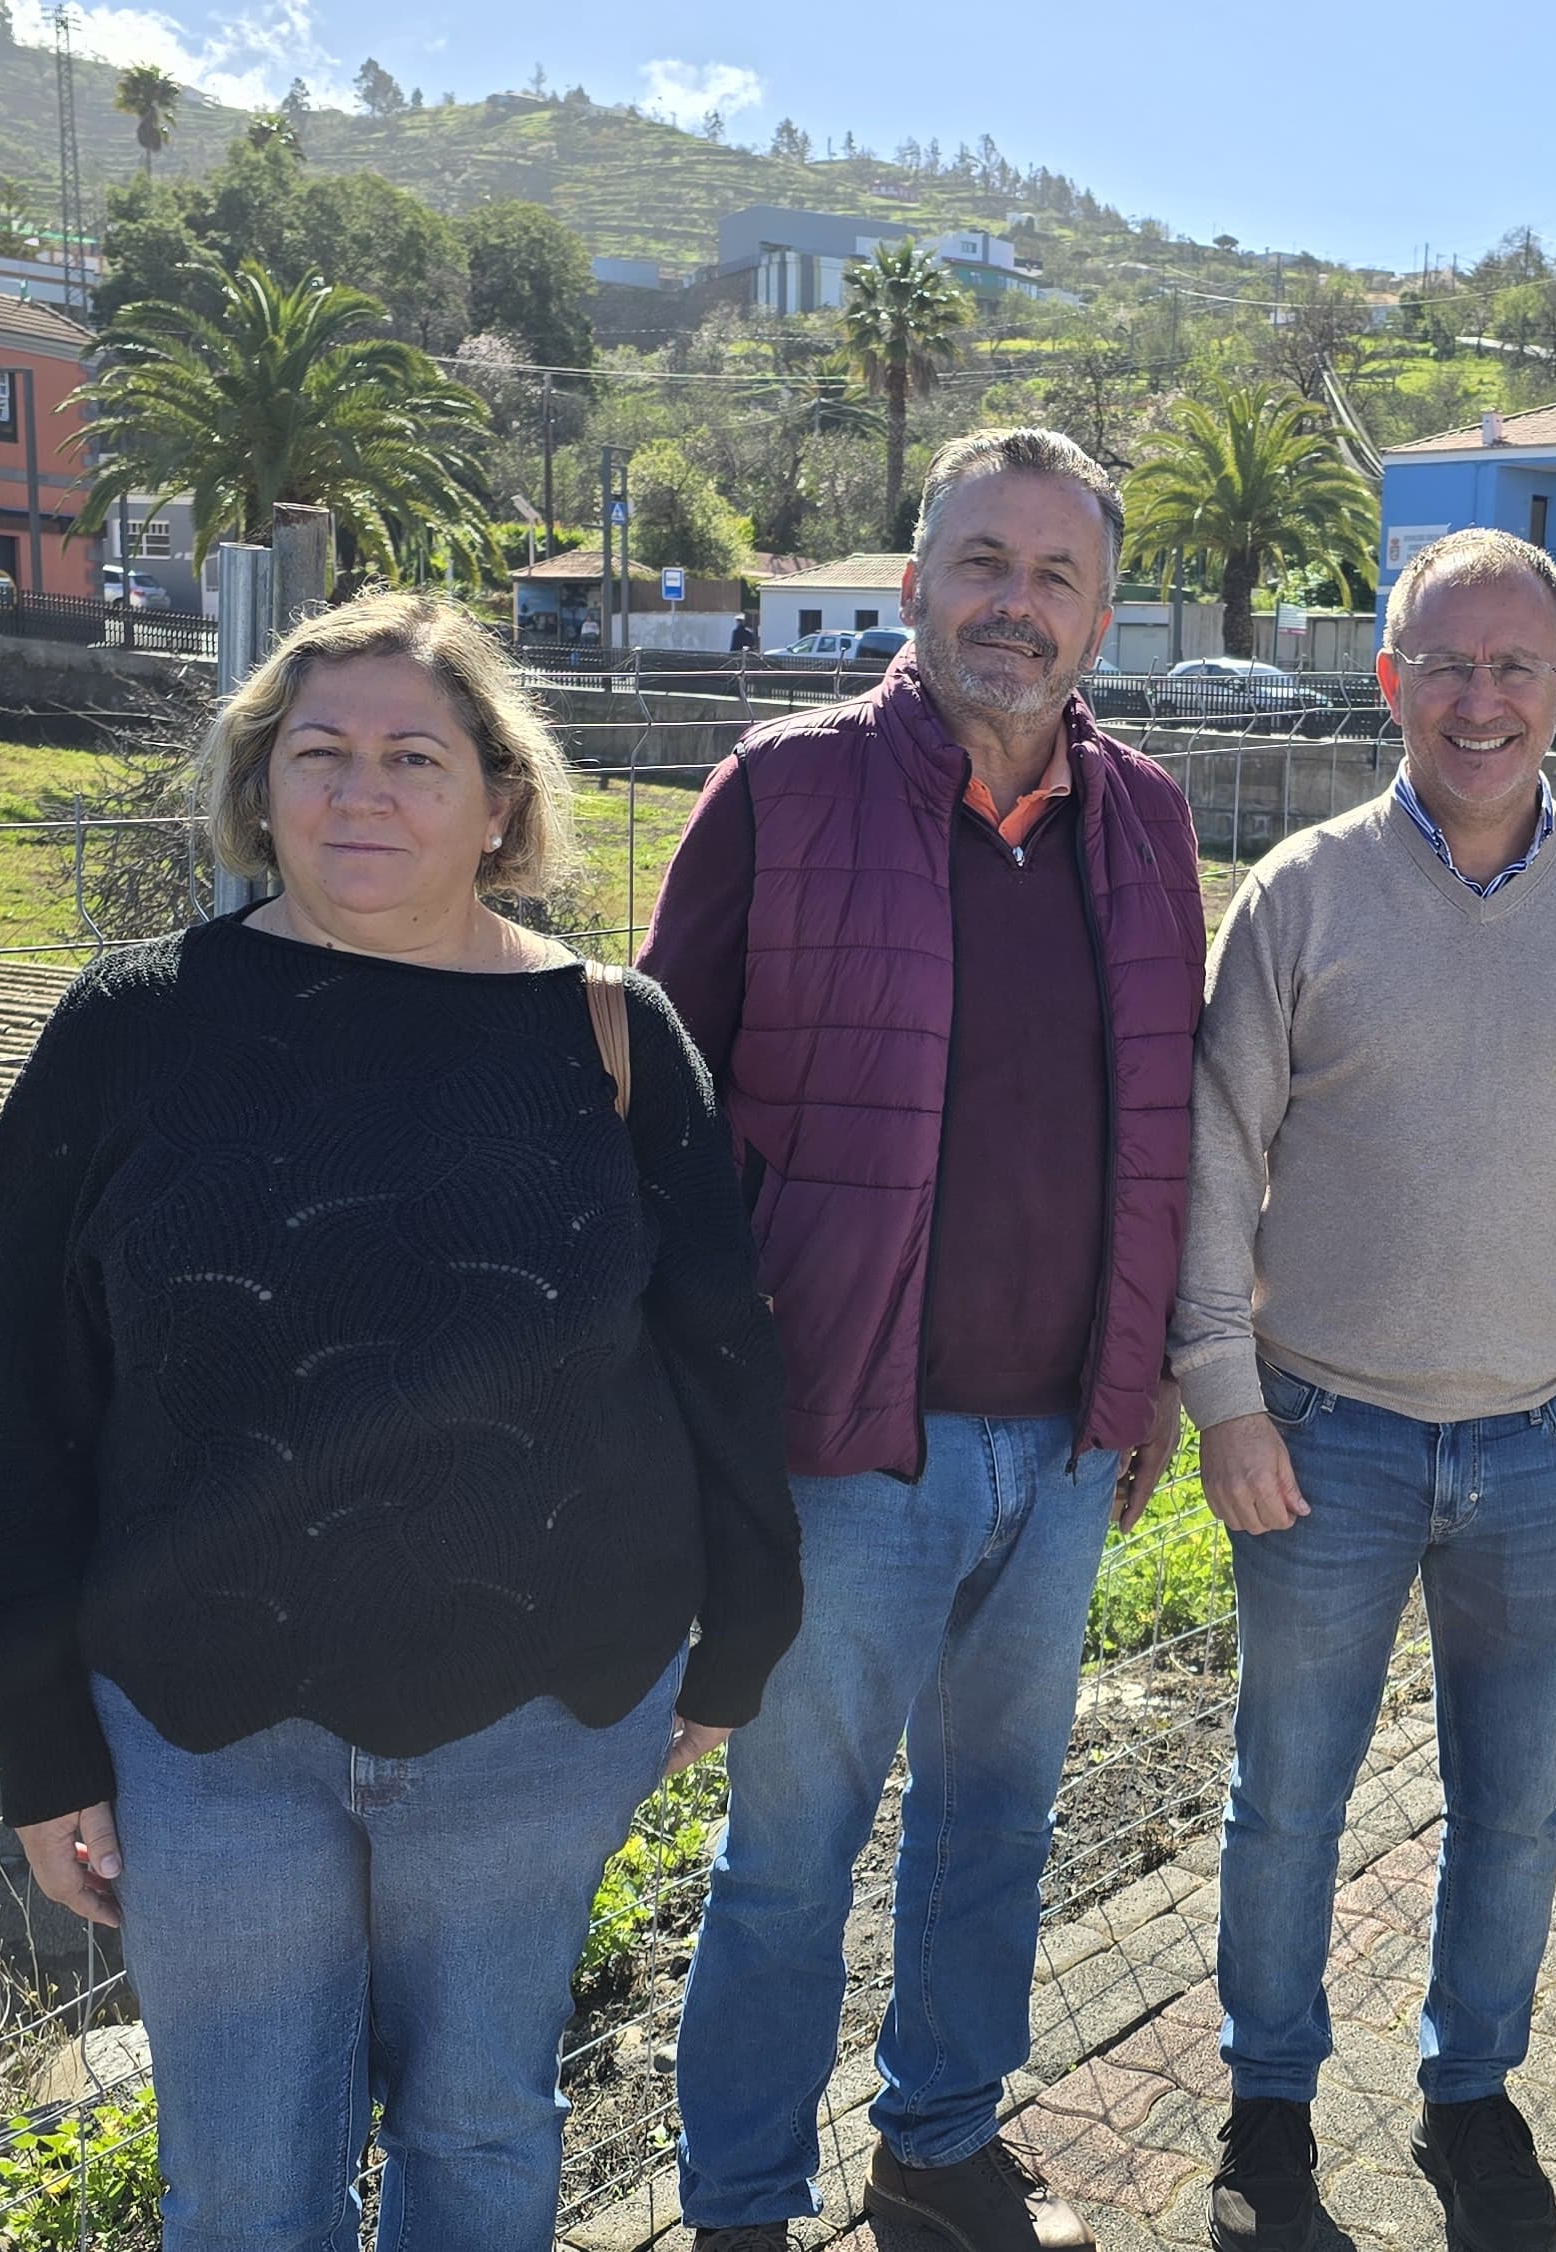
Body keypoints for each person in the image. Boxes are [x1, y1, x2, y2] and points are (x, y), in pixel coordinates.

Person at [0, 593, 798, 2252]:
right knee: (247, 2185)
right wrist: (39, 1730)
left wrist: (743, 1634)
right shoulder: (131, 1031)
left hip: (534, 1720)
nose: (360, 792)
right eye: (316, 754)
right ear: (259, 790)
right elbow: (8, 1398)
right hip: (203, 1736)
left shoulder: (614, 1041)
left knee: (479, 2137)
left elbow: (721, 1356)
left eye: (415, 755)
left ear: (501, 798)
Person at [646, 428, 1208, 2252]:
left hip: (1057, 1450)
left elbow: (1161, 1129)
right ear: (912, 585)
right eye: (982, 562)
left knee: (993, 1835)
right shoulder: (784, 790)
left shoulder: (1151, 824)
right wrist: (687, 1424)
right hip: (838, 1450)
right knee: (788, 1862)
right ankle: (738, 2203)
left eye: (1055, 577)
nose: (1014, 605)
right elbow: (660, 1120)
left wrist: (1137, 1404)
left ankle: (939, 2143)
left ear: (1104, 618)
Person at [1176, 529, 1556, 2252]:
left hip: (1550, 1441)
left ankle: (1467, 2091)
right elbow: (1215, 1153)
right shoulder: (1302, 891)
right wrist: (1221, 1391)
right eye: (1443, 663)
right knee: (1289, 1798)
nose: (1477, 702)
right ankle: (1269, 2101)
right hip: (1322, 1437)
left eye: (1514, 668)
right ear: (1386, 677)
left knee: (1512, 1802)